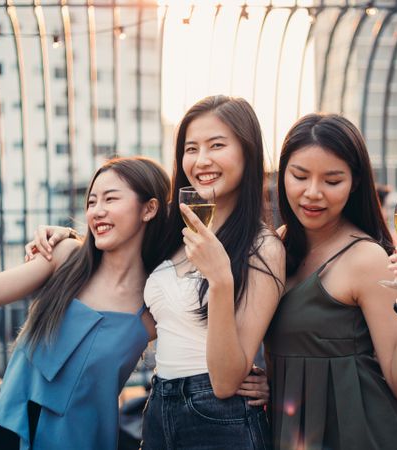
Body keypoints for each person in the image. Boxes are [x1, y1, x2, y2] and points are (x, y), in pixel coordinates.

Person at [27, 95, 285, 448]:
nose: (202, 160)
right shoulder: (170, 225)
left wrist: (220, 279)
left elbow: (226, 382)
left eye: (217, 145)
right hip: (160, 405)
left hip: (221, 417)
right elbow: (115, 234)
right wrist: (68, 236)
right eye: (191, 148)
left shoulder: (263, 248)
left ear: (247, 152)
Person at [0, 132, 170, 450]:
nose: (96, 211)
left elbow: (197, 354)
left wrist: (252, 379)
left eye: (111, 199)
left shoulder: (155, 301)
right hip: (11, 431)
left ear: (149, 209)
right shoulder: (67, 257)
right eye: (91, 201)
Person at [265, 113, 397, 449]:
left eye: (332, 180)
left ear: (355, 182)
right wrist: (262, 381)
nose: (313, 193)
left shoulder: (366, 258)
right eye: (299, 176)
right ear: (282, 174)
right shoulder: (275, 246)